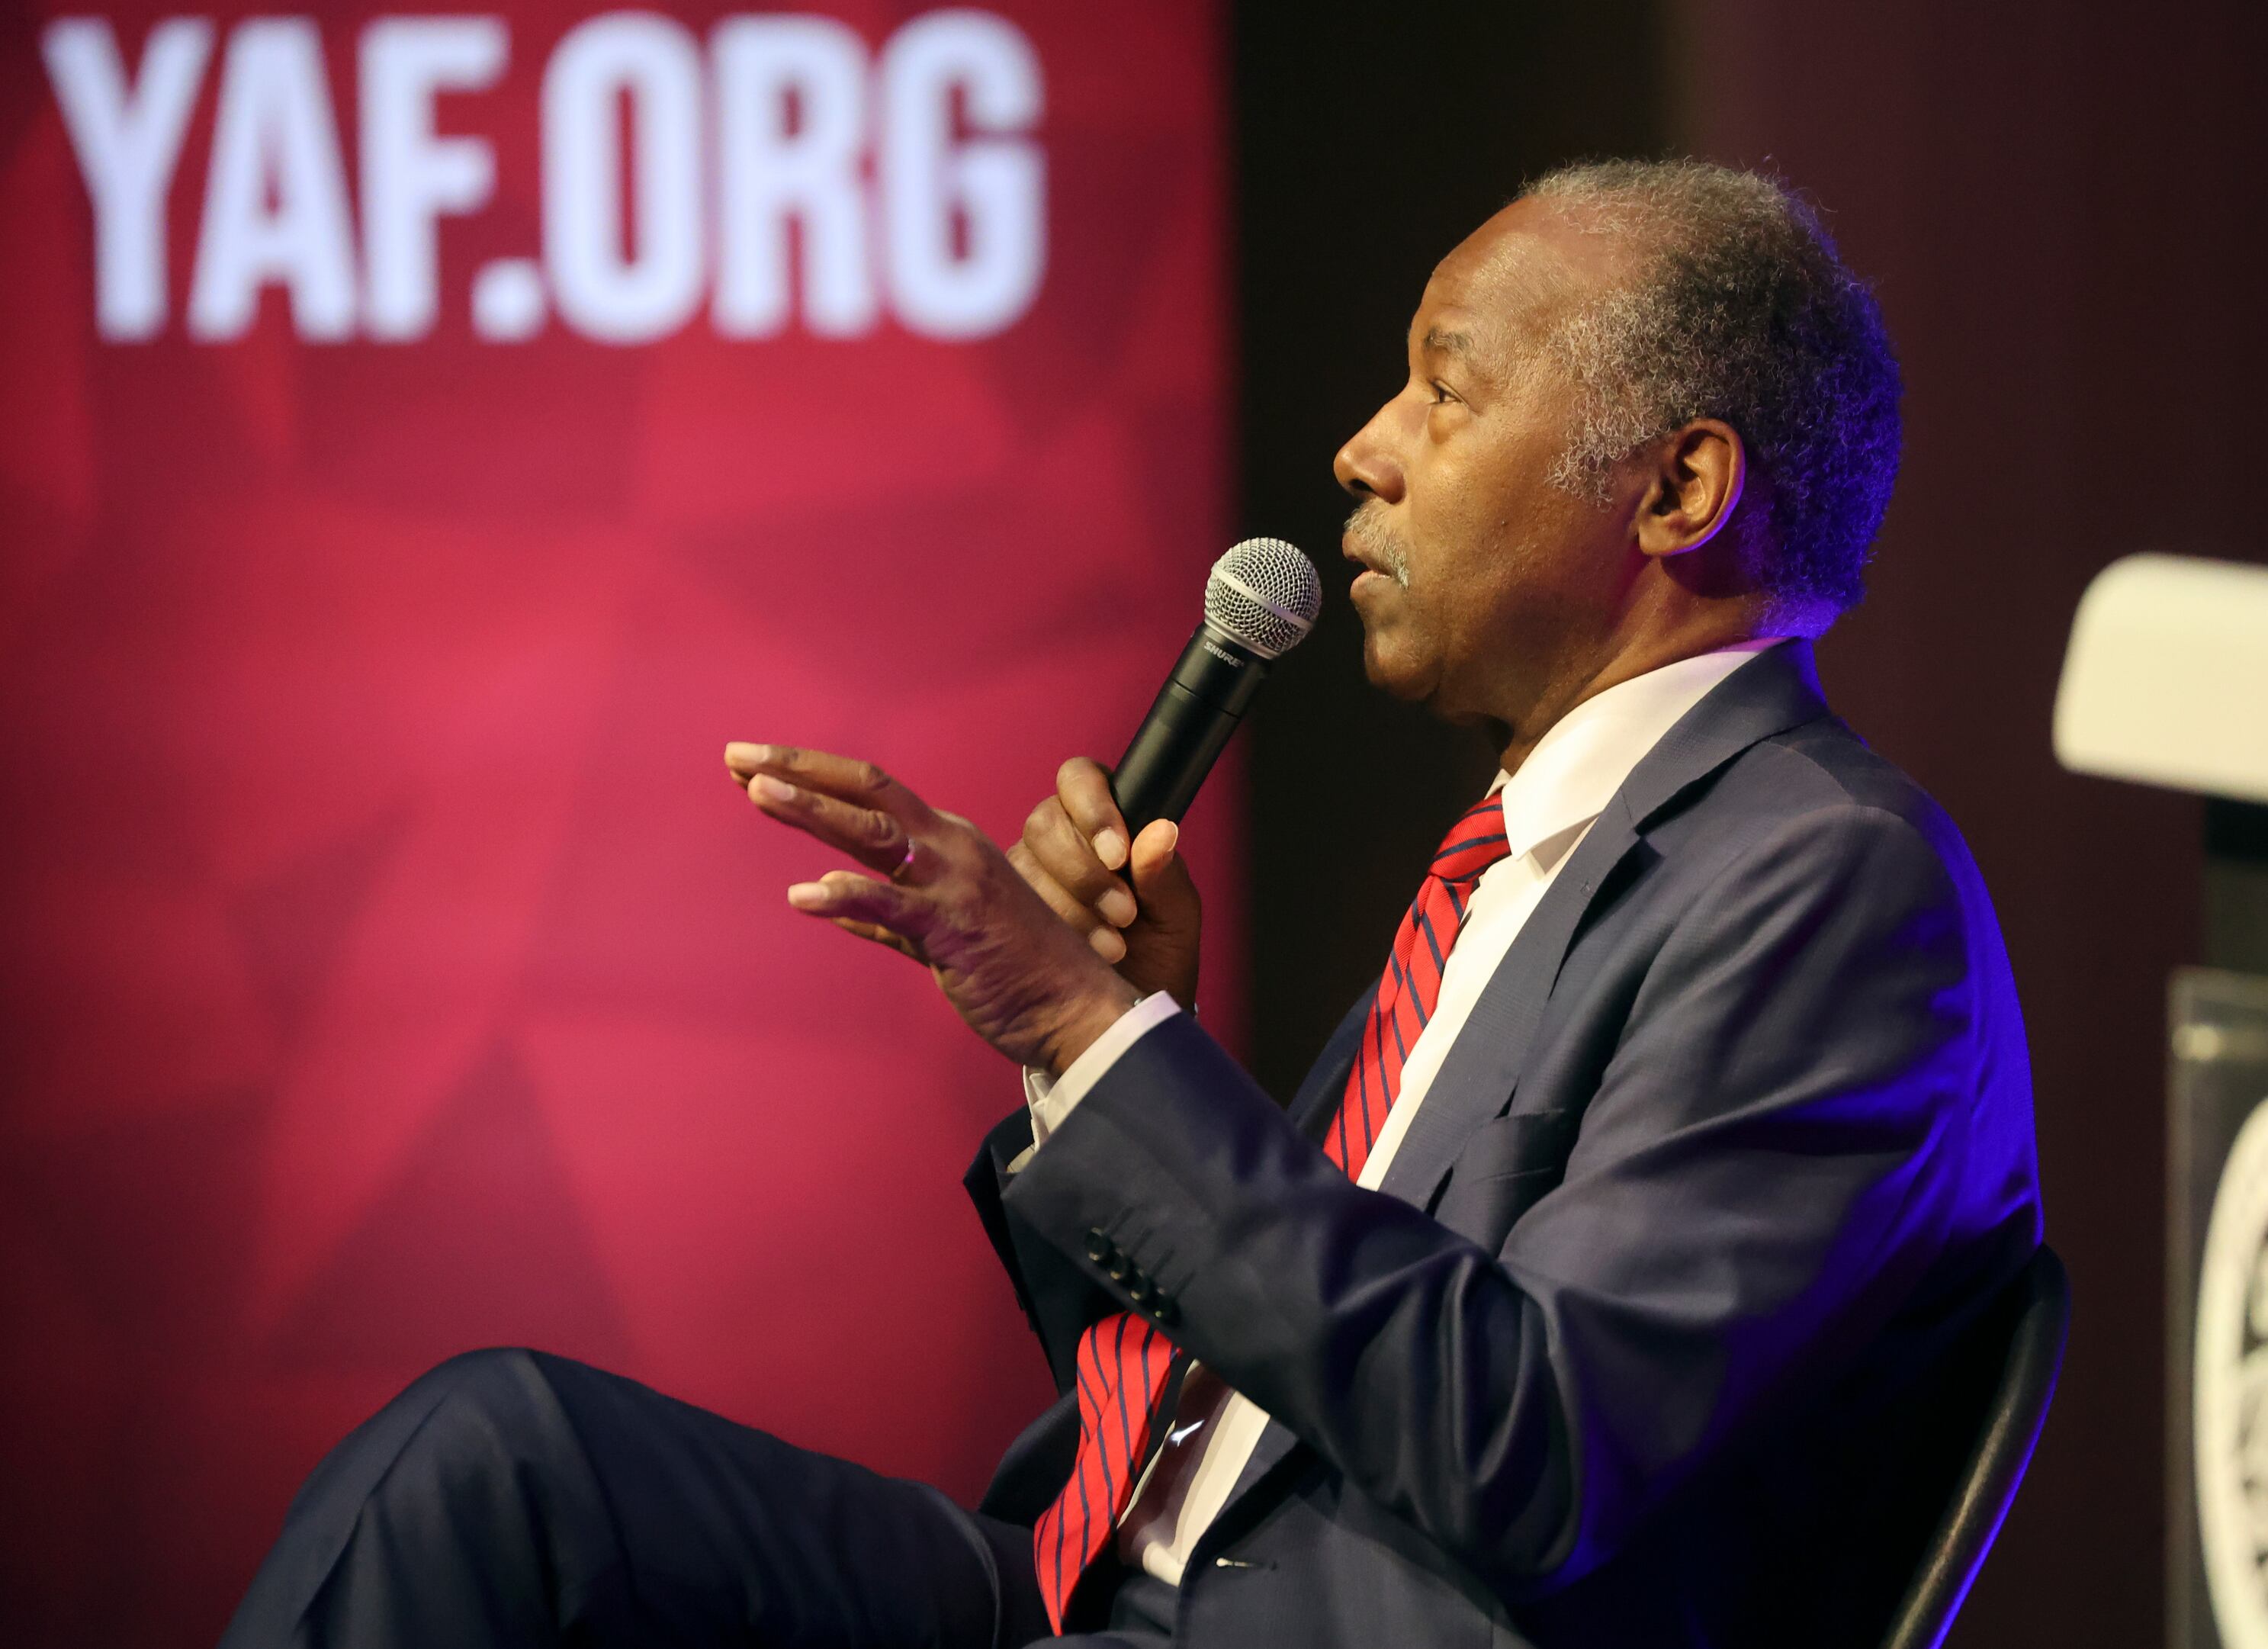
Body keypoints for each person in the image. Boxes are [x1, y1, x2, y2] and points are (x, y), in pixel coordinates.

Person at [220, 158, 2041, 1648]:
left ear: (1680, 487)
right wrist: (1123, 1061)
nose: (1364, 445)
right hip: (1096, 1588)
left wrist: (1103, 1047)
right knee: (493, 1464)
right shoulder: (1530, 852)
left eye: (1445, 387)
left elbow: (1538, 1452)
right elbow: (1236, 1383)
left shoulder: (1826, 883)